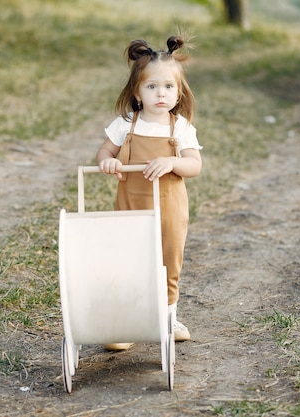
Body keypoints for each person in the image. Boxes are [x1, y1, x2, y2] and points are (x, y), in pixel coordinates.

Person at [96, 36, 202, 350]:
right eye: (152, 87)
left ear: (179, 91)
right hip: (131, 208)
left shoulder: (179, 127)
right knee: (129, 262)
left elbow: (194, 165)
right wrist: (107, 162)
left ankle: (168, 317)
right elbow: (104, 151)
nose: (161, 94)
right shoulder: (126, 125)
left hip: (170, 211)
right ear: (137, 93)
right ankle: (129, 324)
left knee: (169, 263)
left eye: (169, 87)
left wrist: (173, 161)